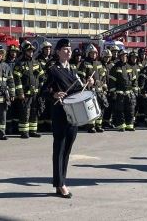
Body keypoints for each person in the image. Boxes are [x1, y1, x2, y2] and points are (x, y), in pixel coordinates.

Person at [45, 38, 93, 198]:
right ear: (58, 52)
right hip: (60, 112)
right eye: (65, 49)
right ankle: (60, 184)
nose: (69, 51)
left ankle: (62, 181)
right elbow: (43, 89)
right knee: (59, 148)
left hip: (74, 113)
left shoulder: (73, 70)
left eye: (69, 49)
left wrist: (89, 83)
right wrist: (53, 93)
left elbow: (79, 90)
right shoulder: (52, 70)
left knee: (67, 150)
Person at [14, 41, 45, 138]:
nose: (31, 53)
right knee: (25, 111)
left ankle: (33, 130)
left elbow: (42, 75)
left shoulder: (36, 62)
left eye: (32, 51)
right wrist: (20, 92)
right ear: (24, 51)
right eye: (28, 51)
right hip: (25, 93)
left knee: (34, 111)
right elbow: (16, 79)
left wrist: (41, 86)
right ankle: (24, 131)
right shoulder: (20, 64)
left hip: (35, 92)